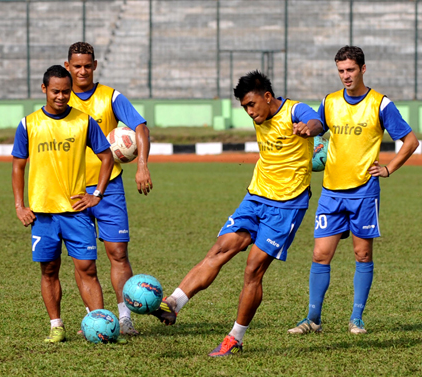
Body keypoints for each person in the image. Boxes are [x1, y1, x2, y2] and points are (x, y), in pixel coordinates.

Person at [151, 70, 323, 356]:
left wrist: (309, 128)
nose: (249, 111)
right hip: (255, 197)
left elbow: (316, 120)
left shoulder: (295, 110)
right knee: (221, 248)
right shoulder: (260, 116)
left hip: (287, 205)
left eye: (252, 104)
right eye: (244, 107)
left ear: (268, 97)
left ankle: (235, 338)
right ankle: (174, 304)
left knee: (253, 269)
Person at [288, 46, 419, 335]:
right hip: (331, 191)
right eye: (341, 71)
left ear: (362, 69)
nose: (345, 76)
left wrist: (388, 168)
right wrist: (308, 129)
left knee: (362, 254)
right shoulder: (330, 101)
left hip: (363, 192)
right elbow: (317, 124)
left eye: (350, 70)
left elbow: (410, 141)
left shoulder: (381, 104)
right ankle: (313, 319)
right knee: (321, 254)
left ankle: (356, 319)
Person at [11, 65, 115, 343]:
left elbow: (107, 157)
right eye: (56, 91)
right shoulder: (29, 123)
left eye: (66, 92)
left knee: (88, 269)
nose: (61, 97)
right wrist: (20, 206)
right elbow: (18, 166)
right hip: (42, 214)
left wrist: (98, 194)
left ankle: (101, 326)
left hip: (76, 211)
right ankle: (56, 325)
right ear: (44, 89)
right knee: (48, 270)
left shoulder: (84, 121)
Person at [64, 42, 153, 336]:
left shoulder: (110, 97)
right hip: (73, 188)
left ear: (95, 65)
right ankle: (97, 318)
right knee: (84, 260)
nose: (82, 71)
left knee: (117, 252)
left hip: (109, 186)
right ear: (68, 67)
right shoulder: (61, 100)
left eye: (87, 65)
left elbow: (140, 127)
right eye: (76, 66)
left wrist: (142, 165)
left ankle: (125, 318)